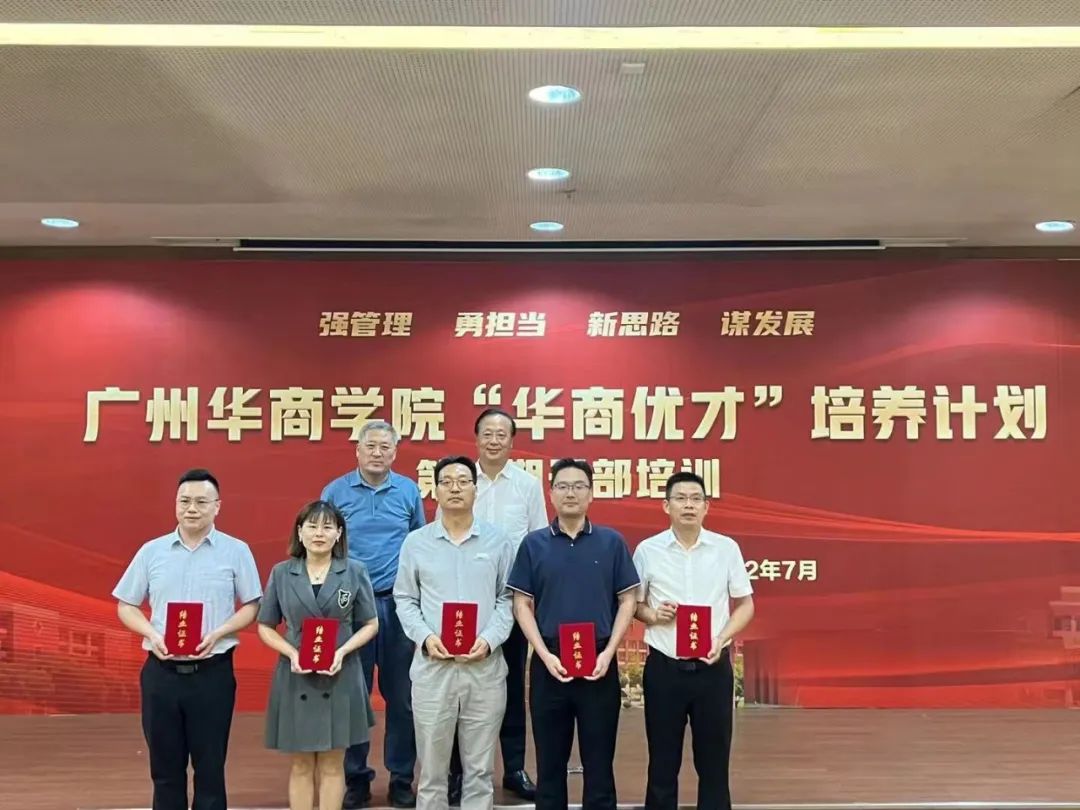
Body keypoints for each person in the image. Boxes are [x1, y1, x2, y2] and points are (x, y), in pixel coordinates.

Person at [113, 468, 262, 810]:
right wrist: (151, 633)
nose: (191, 508)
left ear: (217, 506)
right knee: (165, 770)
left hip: (212, 674)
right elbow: (126, 605)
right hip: (161, 674)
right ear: (175, 504)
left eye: (200, 502)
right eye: (184, 501)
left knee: (210, 769)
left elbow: (253, 605)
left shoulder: (236, 551)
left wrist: (220, 632)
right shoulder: (152, 551)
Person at [508, 458, 639, 810]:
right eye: (563, 486)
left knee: (600, 765)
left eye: (579, 486)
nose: (571, 493)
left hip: (599, 662)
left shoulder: (611, 543)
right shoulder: (533, 544)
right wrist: (543, 653)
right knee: (550, 766)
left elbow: (628, 599)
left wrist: (609, 652)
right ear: (551, 494)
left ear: (591, 494)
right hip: (550, 663)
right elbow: (521, 604)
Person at [395, 456, 515, 810]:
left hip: (484, 670)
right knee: (432, 773)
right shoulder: (416, 543)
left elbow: (508, 599)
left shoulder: (498, 541)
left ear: (476, 489)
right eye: (446, 481)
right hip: (434, 670)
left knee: (480, 771)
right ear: (435, 490)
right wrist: (425, 637)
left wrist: (489, 640)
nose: (455, 488)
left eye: (463, 481)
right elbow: (405, 598)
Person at [633, 471, 755, 810]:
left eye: (695, 499)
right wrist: (654, 615)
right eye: (680, 498)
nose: (688, 505)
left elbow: (746, 604)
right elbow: (634, 606)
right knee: (662, 762)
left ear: (706, 506)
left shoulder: (726, 549)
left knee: (714, 764)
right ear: (666, 506)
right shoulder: (647, 551)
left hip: (712, 669)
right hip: (664, 669)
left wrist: (722, 637)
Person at [322, 420, 427, 809]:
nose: (378, 453)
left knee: (402, 698)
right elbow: (322, 546)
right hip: (350, 607)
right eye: (371, 446)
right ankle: (356, 778)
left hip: (398, 605)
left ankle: (401, 778)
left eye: (385, 447)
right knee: (354, 697)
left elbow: (420, 544)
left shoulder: (408, 491)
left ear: (395, 452)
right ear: (358, 450)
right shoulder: (335, 491)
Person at [445, 408, 547, 804]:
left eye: (501, 434)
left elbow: (538, 542)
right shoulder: (458, 479)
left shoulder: (526, 485)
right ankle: (458, 772)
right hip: (464, 600)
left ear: (512, 441)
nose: (493, 440)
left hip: (511, 598)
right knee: (459, 688)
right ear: (475, 438)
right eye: (487, 433)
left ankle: (515, 767)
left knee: (511, 684)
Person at [257, 500, 380, 810]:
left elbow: (371, 624)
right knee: (300, 764)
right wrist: (291, 653)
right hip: (296, 675)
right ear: (300, 532)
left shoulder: (354, 571)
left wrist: (342, 651)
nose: (319, 533)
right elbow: (265, 625)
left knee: (332, 762)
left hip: (341, 674)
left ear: (339, 534)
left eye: (327, 527)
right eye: (312, 526)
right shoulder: (282, 573)